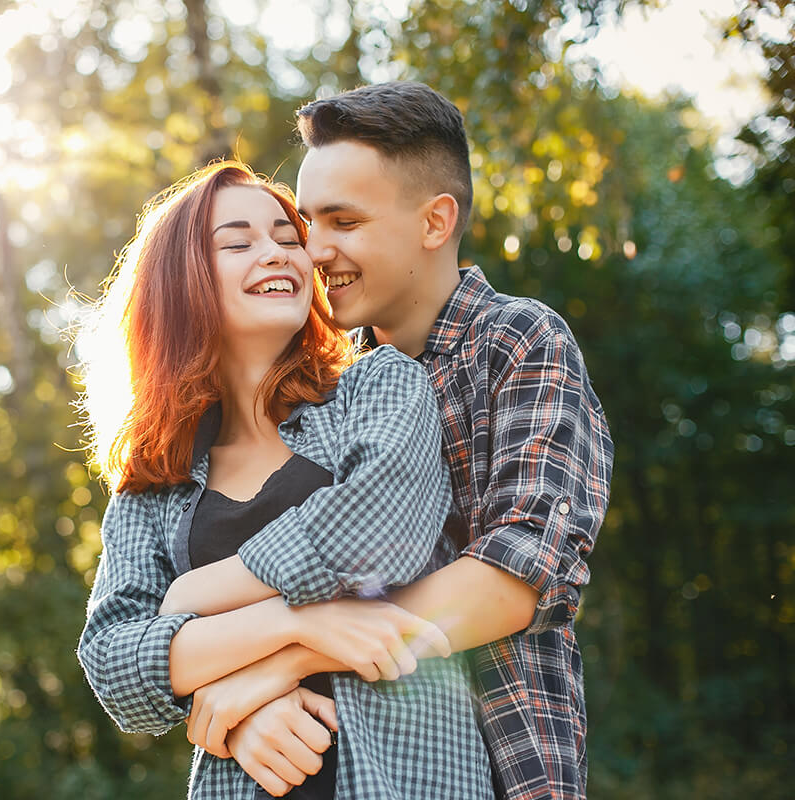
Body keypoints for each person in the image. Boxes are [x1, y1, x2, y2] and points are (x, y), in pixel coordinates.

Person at [194, 81, 614, 800]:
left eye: (344, 221)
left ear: (435, 221)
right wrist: (246, 709)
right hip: (335, 764)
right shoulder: (318, 388)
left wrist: (282, 660)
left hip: (498, 761)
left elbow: (514, 578)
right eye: (306, 222)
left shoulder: (517, 343)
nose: (313, 250)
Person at [76, 161, 495, 798]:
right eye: (239, 242)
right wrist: (293, 626)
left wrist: (194, 597)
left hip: (404, 778)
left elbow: (380, 533)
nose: (277, 252)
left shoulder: (378, 386)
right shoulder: (152, 480)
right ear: (181, 282)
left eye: (287, 237)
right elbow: (112, 661)